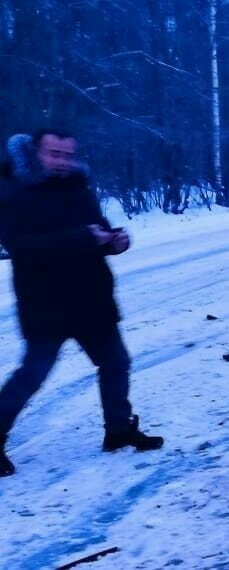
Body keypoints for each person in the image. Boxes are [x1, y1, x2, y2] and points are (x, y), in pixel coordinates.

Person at [0, 129, 163, 478]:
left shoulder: (76, 185)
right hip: (45, 302)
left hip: (91, 298)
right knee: (33, 374)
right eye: (54, 153)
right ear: (35, 151)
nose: (61, 161)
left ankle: (118, 431)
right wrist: (83, 237)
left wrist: (114, 241)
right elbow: (21, 247)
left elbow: (97, 230)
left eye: (66, 154)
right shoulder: (14, 189)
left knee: (117, 363)